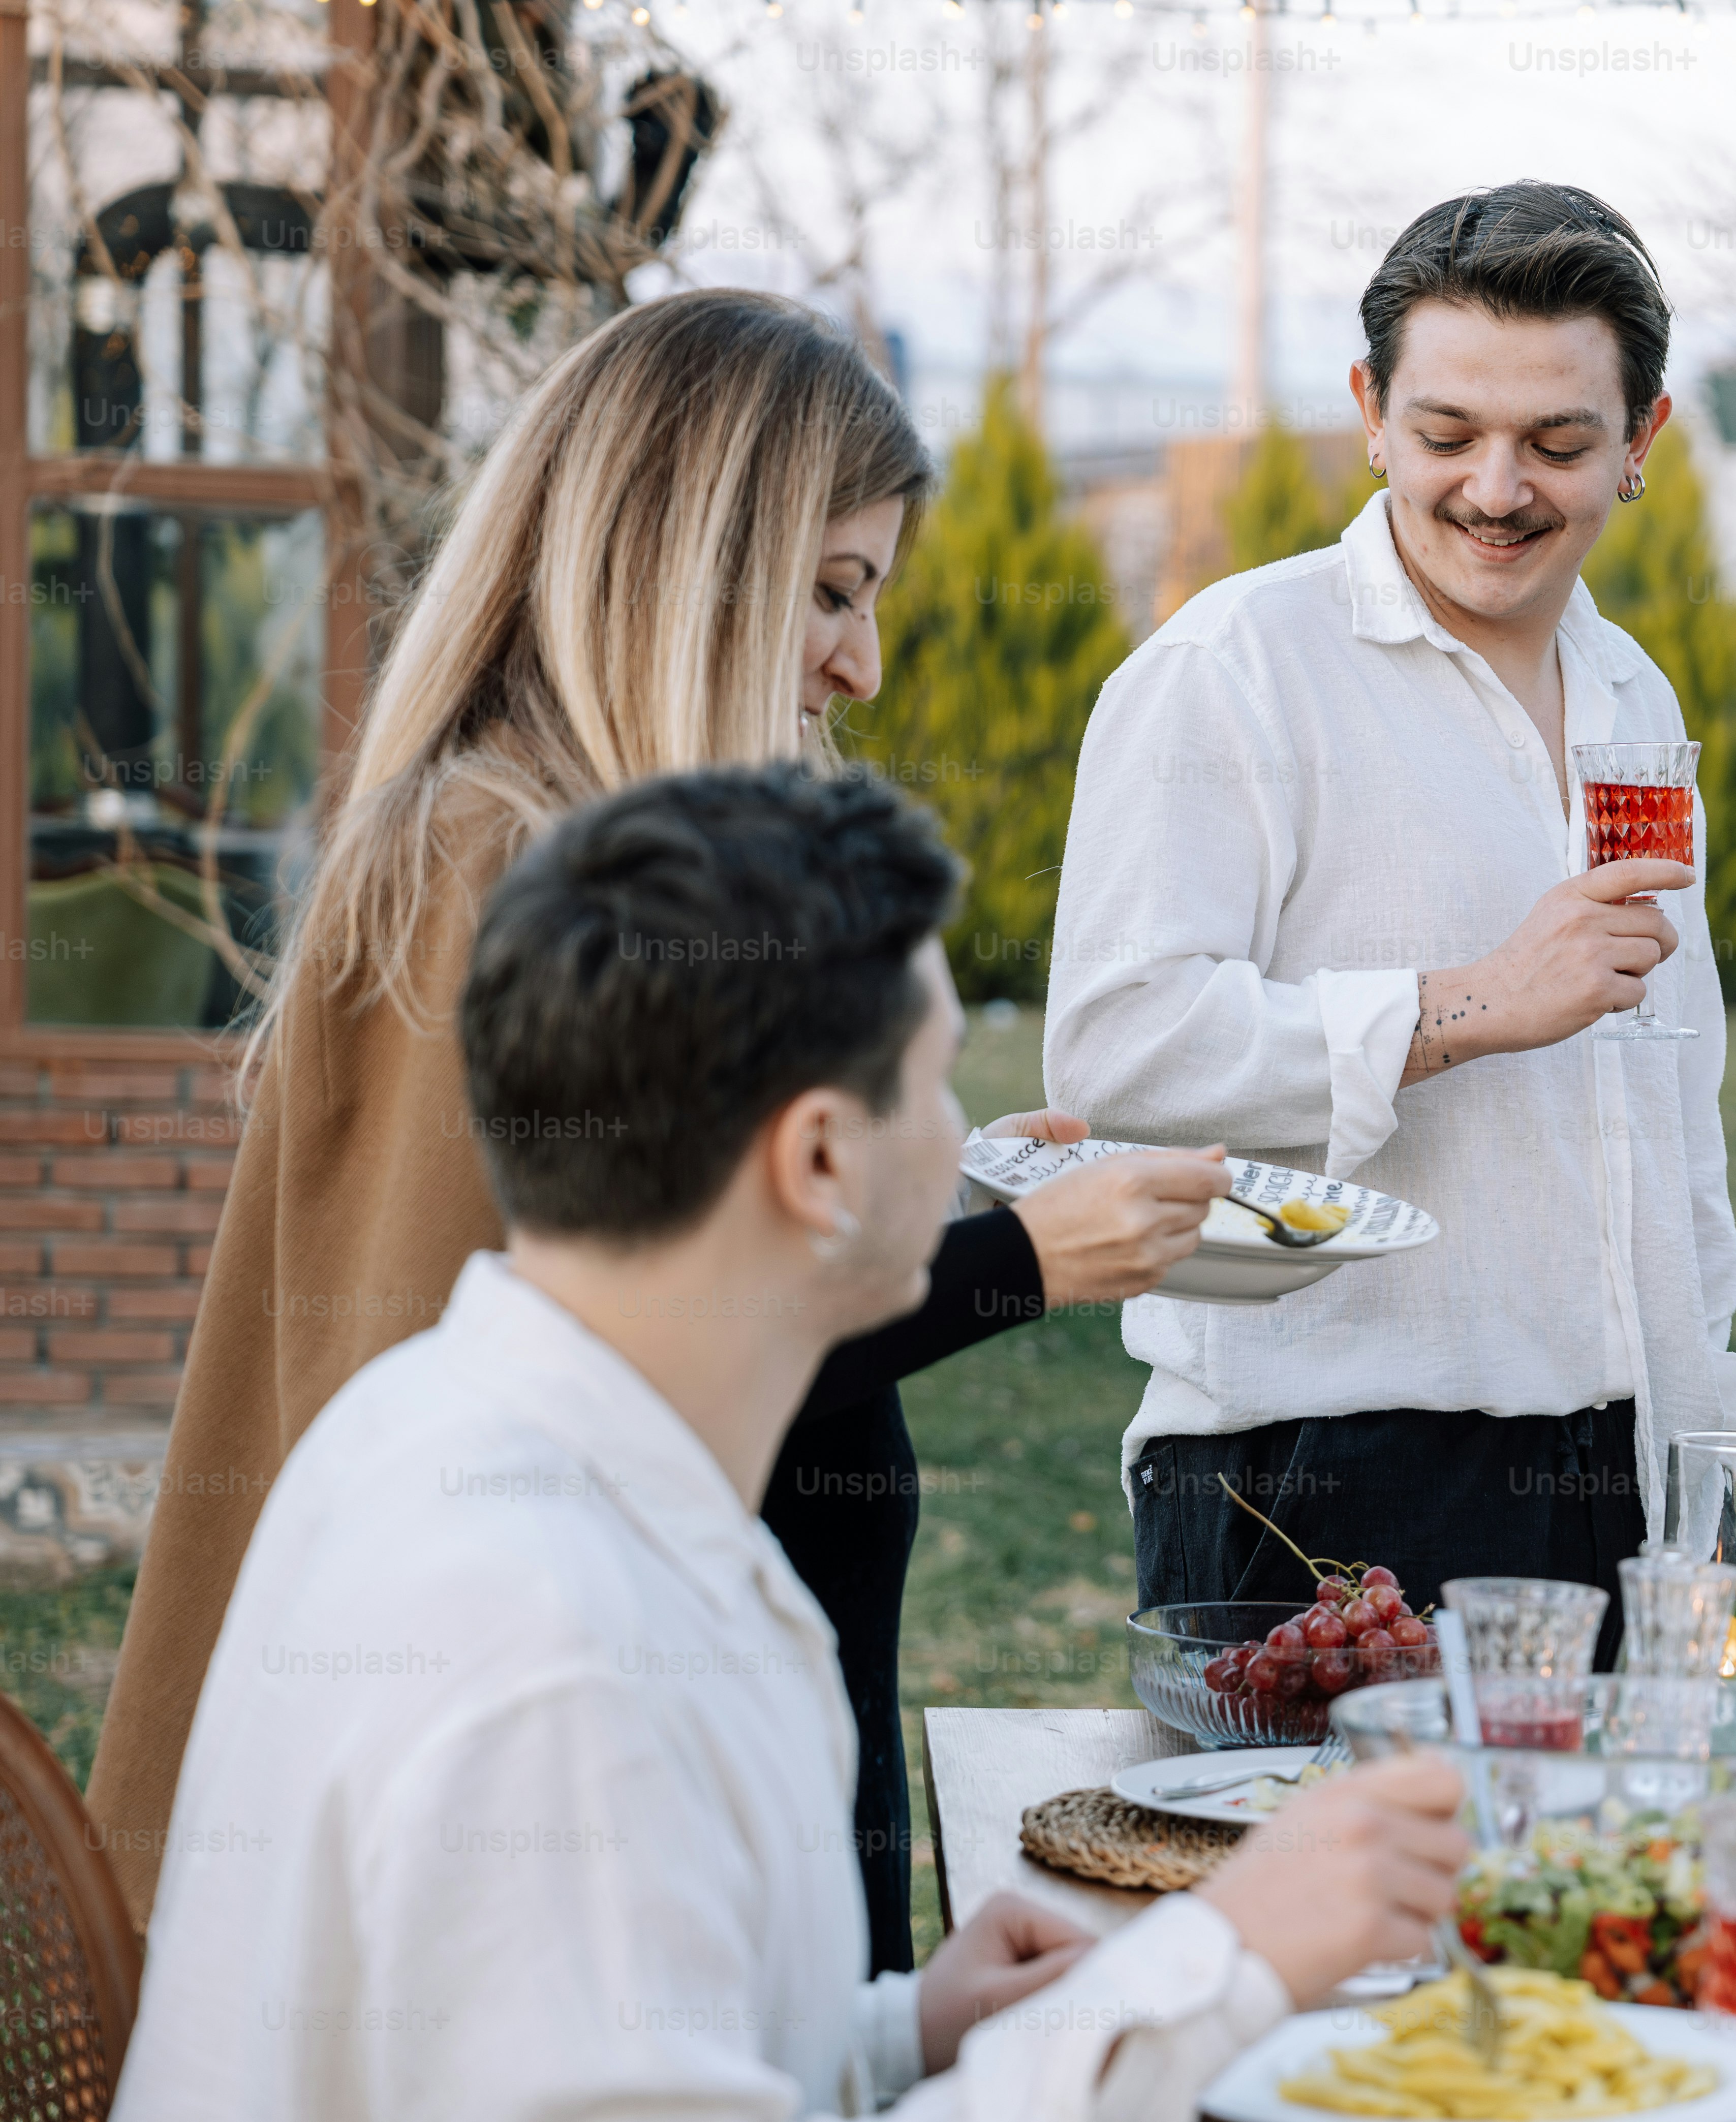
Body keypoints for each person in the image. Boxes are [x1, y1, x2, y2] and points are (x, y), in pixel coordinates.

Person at [52, 764, 1472, 2122]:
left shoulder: (475, 1437)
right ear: (817, 1162)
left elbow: (580, 2111)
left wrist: (897, 2036)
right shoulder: (541, 1632)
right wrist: (1219, 1962)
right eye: (939, 1091)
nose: (964, 1148)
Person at [80, 287, 1221, 1967]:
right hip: (577, 1886)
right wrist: (1021, 1261)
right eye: (831, 590)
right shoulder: (493, 859)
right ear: (685, 560)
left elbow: (679, 1258)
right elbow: (568, 1385)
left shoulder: (595, 857)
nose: (865, 660)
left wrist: (947, 1181)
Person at [1048, 182, 1736, 1632]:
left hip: (1630, 1471)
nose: (1498, 489)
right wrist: (1464, 1010)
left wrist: (1712, 1429)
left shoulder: (1636, 689)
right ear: (1370, 411)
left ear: (1640, 442)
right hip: (1320, 1476)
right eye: (1448, 436)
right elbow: (1118, 1053)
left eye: (1558, 443)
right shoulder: (1231, 672)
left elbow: (1672, 1099)